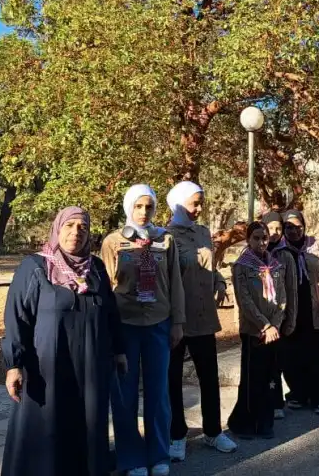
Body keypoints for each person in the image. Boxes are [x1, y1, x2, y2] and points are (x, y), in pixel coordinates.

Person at [1, 207, 125, 476]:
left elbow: (111, 313)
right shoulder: (35, 267)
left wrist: (119, 351)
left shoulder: (96, 268)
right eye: (69, 225)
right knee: (47, 427)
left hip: (91, 366)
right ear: (58, 228)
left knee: (87, 425)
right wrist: (14, 365)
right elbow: (17, 317)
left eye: (82, 227)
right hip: (47, 367)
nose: (75, 233)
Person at [103, 185, 185, 476]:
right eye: (138, 206)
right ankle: (132, 458)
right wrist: (110, 333)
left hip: (158, 323)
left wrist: (178, 322)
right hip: (126, 325)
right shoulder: (114, 242)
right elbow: (107, 288)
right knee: (124, 394)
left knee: (158, 392)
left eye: (149, 207)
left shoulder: (165, 240)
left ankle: (159, 454)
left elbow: (176, 283)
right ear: (128, 208)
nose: (143, 212)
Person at [164, 182, 238, 461]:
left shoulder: (203, 232)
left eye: (200, 203)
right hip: (177, 319)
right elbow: (171, 273)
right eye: (193, 203)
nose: (198, 209)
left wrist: (218, 280)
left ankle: (213, 431)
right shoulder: (167, 236)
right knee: (172, 380)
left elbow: (213, 266)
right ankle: (176, 434)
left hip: (204, 316)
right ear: (179, 204)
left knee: (209, 377)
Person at [227, 222, 289, 439]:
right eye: (256, 238)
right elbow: (245, 301)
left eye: (264, 238)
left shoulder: (275, 265)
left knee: (271, 378)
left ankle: (265, 421)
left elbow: (282, 298)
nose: (262, 242)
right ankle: (243, 422)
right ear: (248, 239)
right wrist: (265, 325)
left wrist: (276, 325)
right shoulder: (242, 266)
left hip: (274, 331)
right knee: (252, 379)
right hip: (255, 331)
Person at [280, 209, 319, 414]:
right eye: (288, 227)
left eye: (298, 227)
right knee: (293, 356)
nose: (293, 231)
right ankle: (298, 394)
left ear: (304, 226)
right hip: (292, 312)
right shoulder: (279, 250)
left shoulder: (316, 245)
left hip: (316, 309)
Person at [262, 211, 298, 419]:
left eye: (279, 229)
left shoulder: (286, 255)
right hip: (259, 319)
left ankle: (277, 402)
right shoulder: (254, 254)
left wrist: (290, 318)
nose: (274, 234)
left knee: (278, 361)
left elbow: (291, 290)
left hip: (280, 318)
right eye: (271, 229)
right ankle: (262, 399)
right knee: (262, 363)